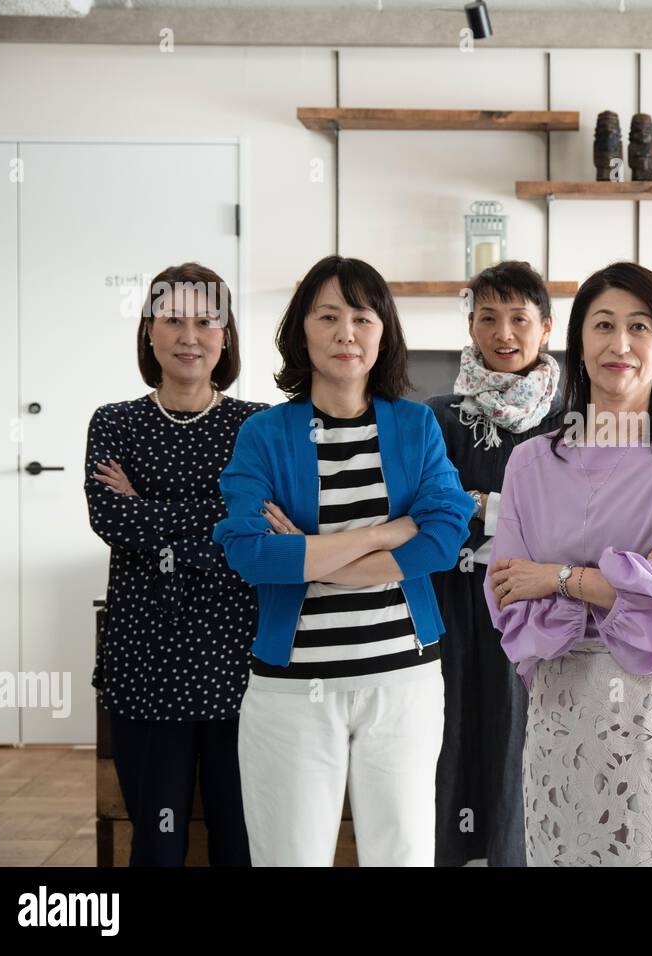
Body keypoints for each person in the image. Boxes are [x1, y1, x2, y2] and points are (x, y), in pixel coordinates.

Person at [212, 254, 474, 866]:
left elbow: (442, 537)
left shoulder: (416, 425)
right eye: (327, 316)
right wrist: (387, 532)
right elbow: (250, 553)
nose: (345, 333)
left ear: (383, 332)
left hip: (403, 680)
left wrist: (307, 556)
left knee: (402, 854)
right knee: (290, 857)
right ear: (301, 331)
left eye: (362, 317)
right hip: (292, 688)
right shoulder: (265, 434)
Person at [485, 261, 652, 866]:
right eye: (603, 326)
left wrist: (561, 577)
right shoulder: (529, 463)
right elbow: (511, 601)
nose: (620, 344)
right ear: (578, 343)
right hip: (561, 714)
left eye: (640, 327)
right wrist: (637, 573)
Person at [85, 262, 265, 866]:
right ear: (149, 333)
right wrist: (215, 524)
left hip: (238, 664)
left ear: (227, 335)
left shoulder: (256, 427)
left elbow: (254, 542)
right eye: (173, 319)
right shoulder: (114, 423)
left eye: (206, 320)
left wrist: (151, 511)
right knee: (157, 845)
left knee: (237, 842)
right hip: (144, 663)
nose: (190, 335)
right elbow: (114, 523)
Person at [427, 260, 564, 867]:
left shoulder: (569, 421)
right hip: (450, 606)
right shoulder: (438, 417)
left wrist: (478, 503)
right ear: (471, 326)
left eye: (519, 318)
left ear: (546, 327)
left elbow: (566, 520)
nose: (503, 333)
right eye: (488, 318)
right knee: (450, 738)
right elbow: (431, 508)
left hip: (536, 607)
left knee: (520, 744)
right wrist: (508, 513)